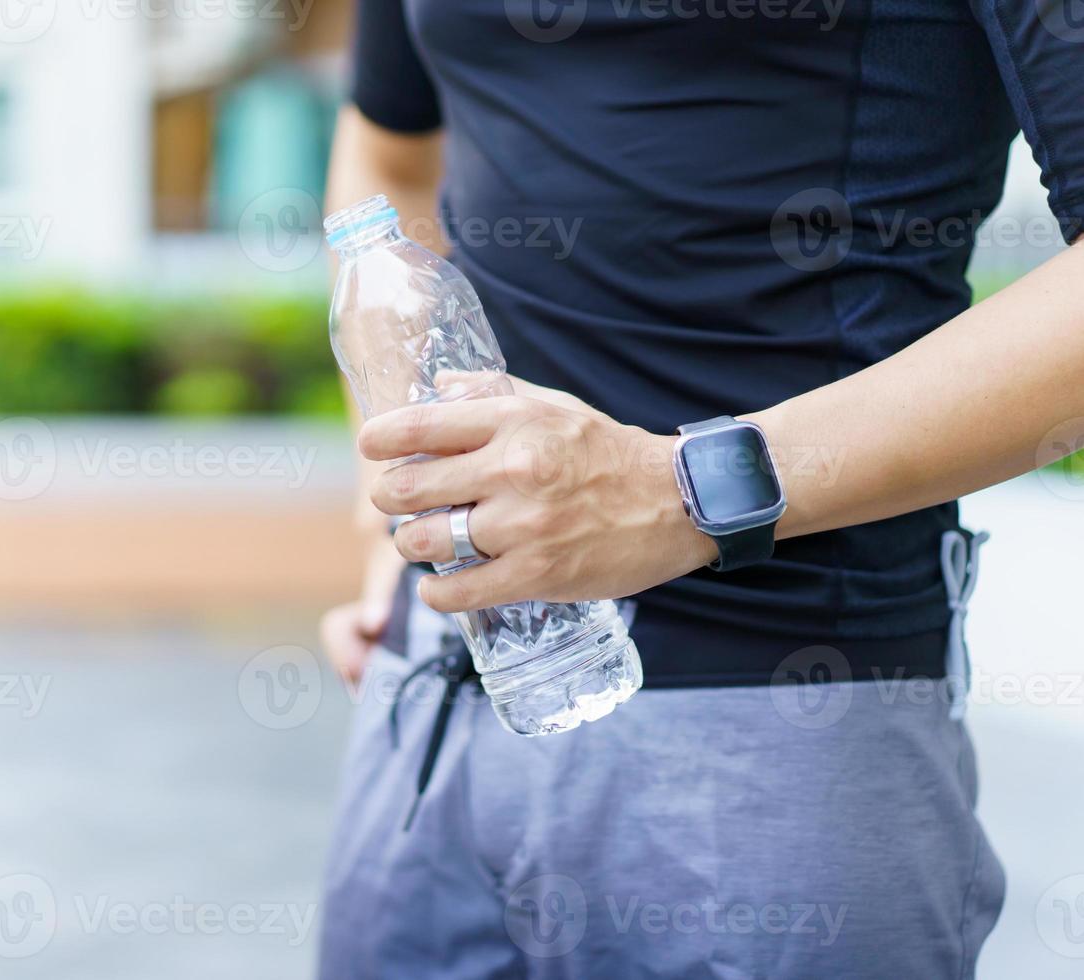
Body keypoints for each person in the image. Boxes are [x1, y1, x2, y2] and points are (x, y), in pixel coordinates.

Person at [315, 0, 1084, 976]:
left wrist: (683, 488)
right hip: (437, 694)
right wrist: (386, 522)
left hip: (779, 703)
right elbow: (385, 158)